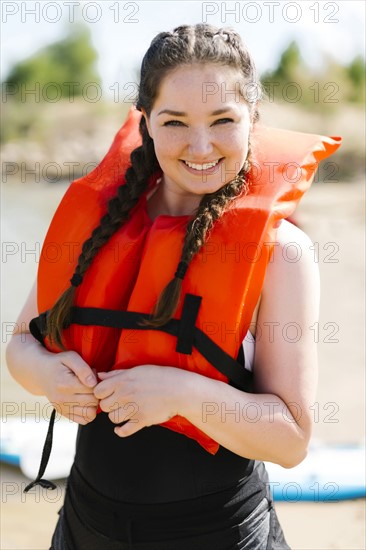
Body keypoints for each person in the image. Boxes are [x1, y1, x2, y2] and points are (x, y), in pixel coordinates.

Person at [6, 23, 340, 550]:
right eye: (175, 121)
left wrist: (182, 393)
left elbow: (292, 438)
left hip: (218, 533)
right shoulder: (98, 227)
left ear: (252, 119)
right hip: (86, 526)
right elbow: (21, 344)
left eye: (223, 120)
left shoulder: (283, 255)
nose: (200, 145)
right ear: (146, 123)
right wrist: (48, 374)